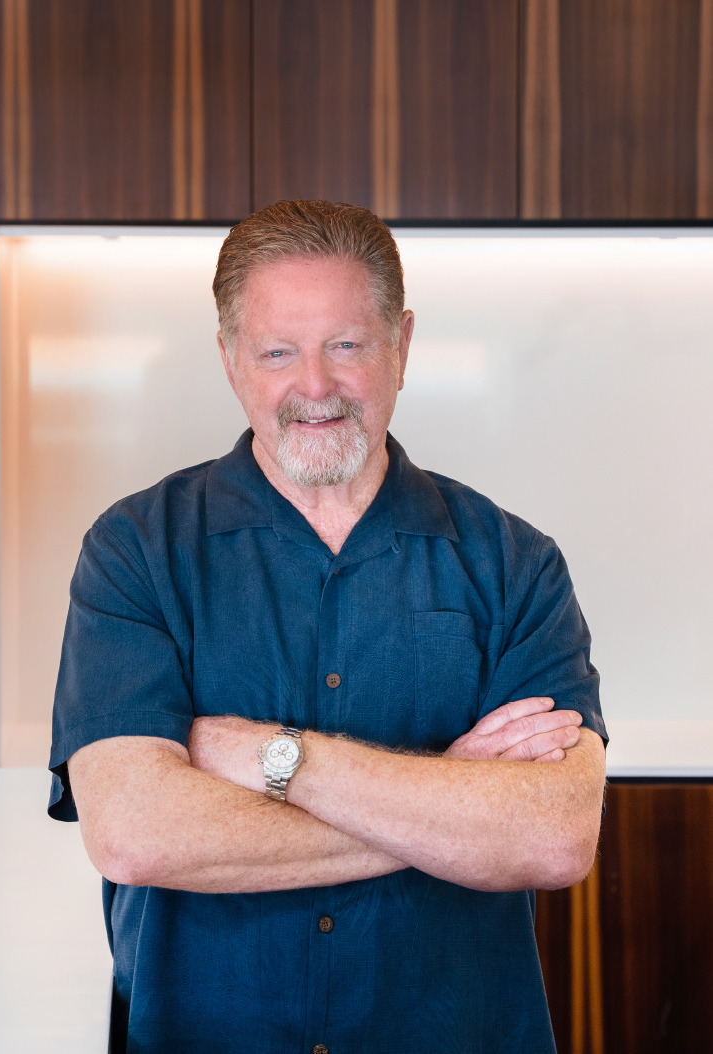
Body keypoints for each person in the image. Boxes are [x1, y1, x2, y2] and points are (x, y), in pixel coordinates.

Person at [48, 200, 607, 1053]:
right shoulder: (136, 551)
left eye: (345, 345)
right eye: (279, 351)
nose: (315, 386)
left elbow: (553, 835)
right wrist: (447, 810)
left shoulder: (514, 562)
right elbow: (135, 833)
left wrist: (272, 757)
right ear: (232, 360)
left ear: (402, 347)